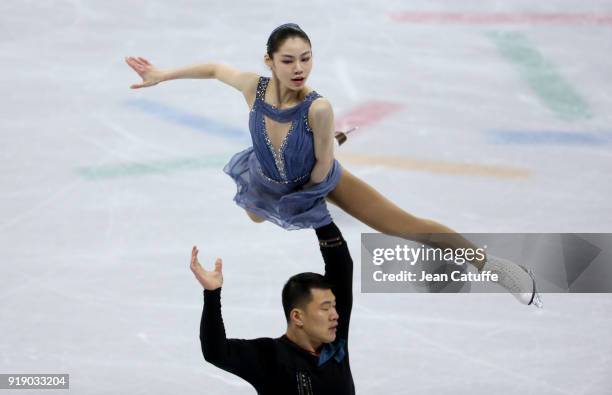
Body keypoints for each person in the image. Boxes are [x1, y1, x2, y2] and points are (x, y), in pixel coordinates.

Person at [126, 23, 542, 307]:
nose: (299, 68)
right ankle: (278, 192)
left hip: (315, 182)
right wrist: (163, 74)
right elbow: (217, 69)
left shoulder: (318, 108)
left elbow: (323, 165)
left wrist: (305, 202)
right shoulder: (254, 87)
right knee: (254, 215)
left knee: (407, 226)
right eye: (288, 60)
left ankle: (498, 267)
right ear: (269, 61)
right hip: (263, 180)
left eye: (306, 58)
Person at [190, 222, 355, 394]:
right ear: (298, 317)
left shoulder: (334, 343)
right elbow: (216, 352)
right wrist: (212, 293)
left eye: (334, 307)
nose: (336, 315)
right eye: (325, 308)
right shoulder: (270, 357)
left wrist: (322, 222)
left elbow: (341, 268)